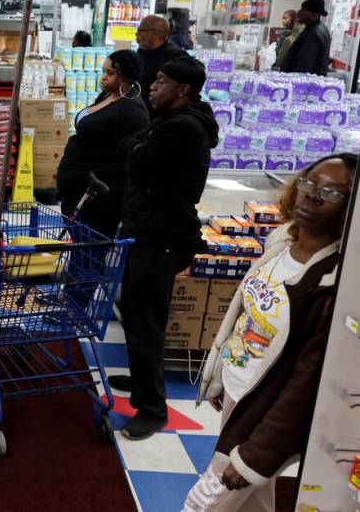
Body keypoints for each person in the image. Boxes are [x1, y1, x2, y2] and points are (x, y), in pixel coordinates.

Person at [184, 153, 356, 512]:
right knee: (253, 504)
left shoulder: (334, 286)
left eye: (332, 192)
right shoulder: (280, 242)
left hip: (264, 411)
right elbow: (245, 315)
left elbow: (303, 386)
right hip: (240, 390)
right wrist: (223, 376)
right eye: (309, 182)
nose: (311, 195)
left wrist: (256, 458)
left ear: (352, 206)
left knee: (205, 502)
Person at [110, 55, 220, 440]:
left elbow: (137, 162)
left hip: (163, 239)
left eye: (161, 80)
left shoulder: (184, 128)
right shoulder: (167, 123)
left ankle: (153, 410)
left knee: (146, 326)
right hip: (147, 232)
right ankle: (142, 383)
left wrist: (139, 148)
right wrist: (139, 146)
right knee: (134, 316)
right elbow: (129, 146)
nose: (152, 86)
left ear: (183, 89)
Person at [56, 50, 149, 238]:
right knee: (79, 251)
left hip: (98, 196)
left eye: (110, 73)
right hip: (78, 190)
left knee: (90, 254)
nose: (103, 77)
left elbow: (128, 155)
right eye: (103, 71)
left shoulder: (133, 111)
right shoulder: (109, 96)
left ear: (126, 76)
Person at [136, 15, 186, 112]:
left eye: (140, 31)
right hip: (141, 110)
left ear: (154, 33)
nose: (136, 35)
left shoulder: (175, 56)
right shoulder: (142, 51)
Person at [279, 0, 331, 76]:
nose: (299, 12)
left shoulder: (313, 33)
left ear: (314, 14)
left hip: (303, 84)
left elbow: (304, 64)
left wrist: (295, 82)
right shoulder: (319, 28)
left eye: (303, 10)